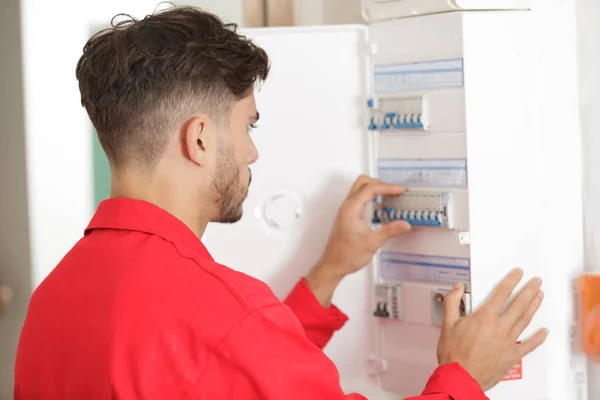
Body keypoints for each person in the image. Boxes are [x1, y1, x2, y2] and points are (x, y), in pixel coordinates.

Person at [14, 6, 548, 400]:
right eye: (247, 125)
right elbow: (226, 347)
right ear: (198, 139)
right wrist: (464, 377)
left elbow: (223, 375)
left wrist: (330, 272)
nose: (252, 151)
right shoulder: (224, 316)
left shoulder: (53, 300)